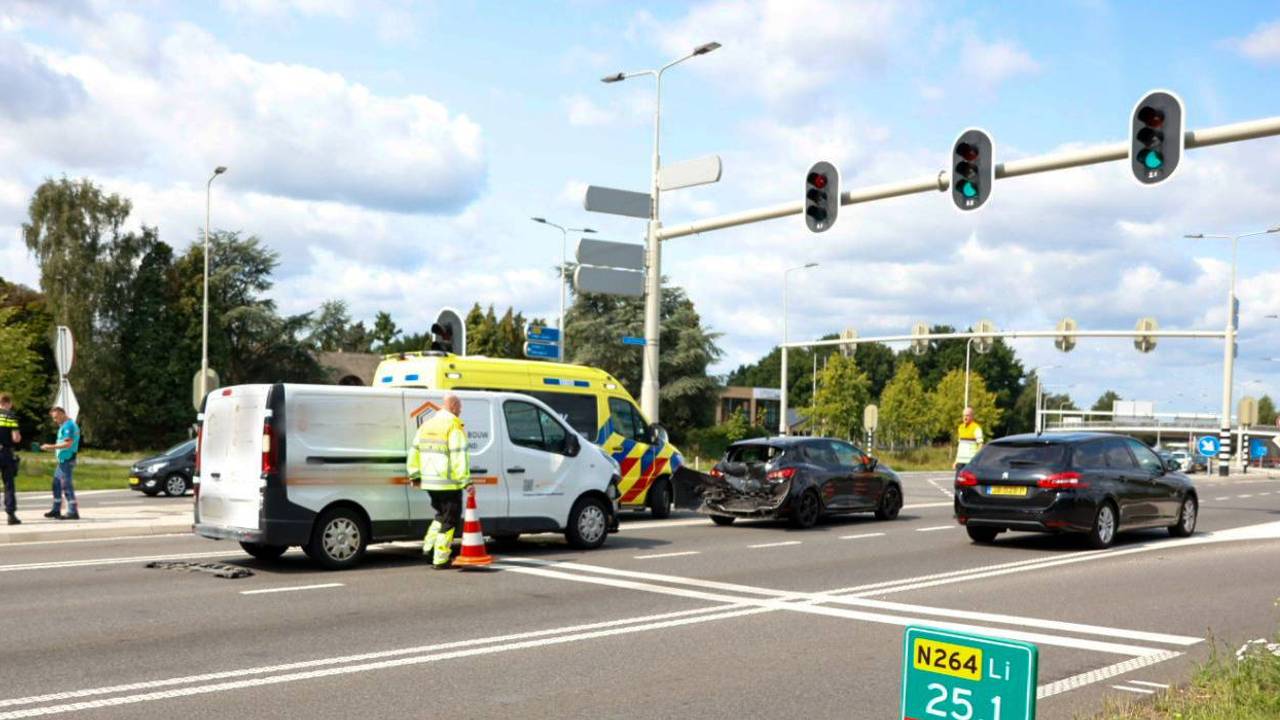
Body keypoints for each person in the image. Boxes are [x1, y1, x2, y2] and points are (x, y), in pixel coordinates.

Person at [406, 394, 470, 570]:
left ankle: (428, 549)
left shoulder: (427, 424)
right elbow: (458, 454)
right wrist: (465, 480)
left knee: (440, 516)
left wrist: (414, 474)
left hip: (430, 482)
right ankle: (441, 558)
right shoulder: (453, 425)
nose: (461, 410)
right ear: (454, 406)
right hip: (448, 482)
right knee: (450, 519)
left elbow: (414, 451)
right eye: (460, 407)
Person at [40, 406, 80, 521]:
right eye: (53, 418)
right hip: (63, 461)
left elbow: (68, 444)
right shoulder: (64, 425)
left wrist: (50, 447)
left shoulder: (69, 426)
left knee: (66, 485)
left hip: (67, 460)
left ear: (62, 414)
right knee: (56, 484)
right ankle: (56, 509)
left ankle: (73, 511)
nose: (55, 420)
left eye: (56, 417)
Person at [0, 393, 22, 525]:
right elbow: (16, 438)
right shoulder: (10, 416)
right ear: (8, 403)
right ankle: (11, 515)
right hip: (5, 453)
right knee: (8, 484)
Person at [954, 406, 984, 472]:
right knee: (958, 481)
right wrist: (956, 461)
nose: (965, 417)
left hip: (970, 462)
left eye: (967, 415)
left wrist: (976, 460)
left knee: (969, 481)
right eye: (964, 416)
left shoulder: (976, 428)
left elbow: (980, 445)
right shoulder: (960, 427)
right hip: (960, 462)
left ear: (972, 416)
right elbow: (960, 446)